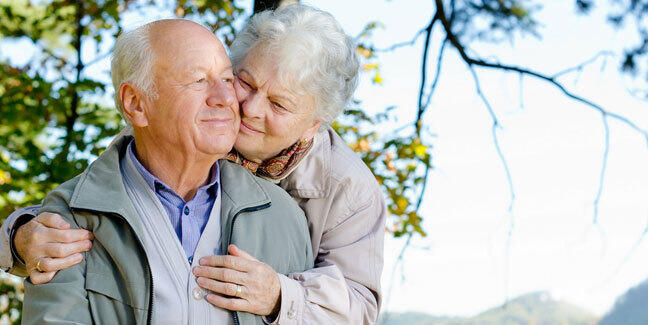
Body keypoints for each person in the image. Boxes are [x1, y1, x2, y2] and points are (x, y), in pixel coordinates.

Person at [2, 4, 386, 324]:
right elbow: (103, 197)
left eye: (279, 105)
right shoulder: (196, 122)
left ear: (314, 124)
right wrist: (18, 238)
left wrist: (278, 295)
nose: (248, 109)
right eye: (245, 83)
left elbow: (360, 310)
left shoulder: (345, 190)